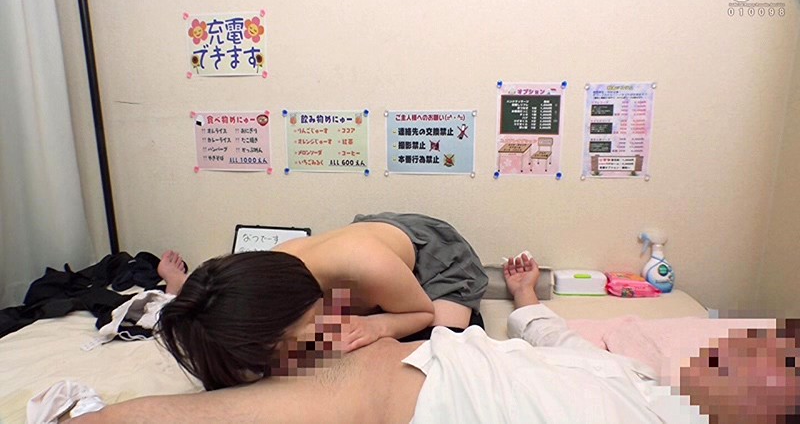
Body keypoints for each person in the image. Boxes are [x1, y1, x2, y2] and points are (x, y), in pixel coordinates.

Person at [69, 253, 798, 423]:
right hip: (611, 401)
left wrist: (524, 303)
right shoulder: (343, 381)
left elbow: (556, 349)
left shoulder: (351, 350)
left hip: (580, 377)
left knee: (554, 341)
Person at [155, 212, 489, 390]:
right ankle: (179, 285)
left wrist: (379, 326)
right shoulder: (271, 270)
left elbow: (422, 312)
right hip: (364, 255)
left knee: (443, 352)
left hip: (433, 256)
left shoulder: (366, 267)